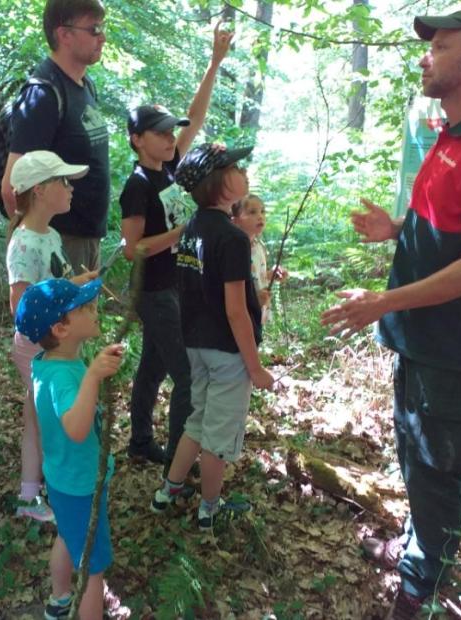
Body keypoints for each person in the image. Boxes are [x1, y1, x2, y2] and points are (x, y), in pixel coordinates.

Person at [320, 8, 461, 618]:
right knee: (414, 457)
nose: (426, 55)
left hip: (454, 349)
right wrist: (397, 230)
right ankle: (419, 554)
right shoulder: (450, 133)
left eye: (442, 46)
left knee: (438, 473)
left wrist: (382, 302)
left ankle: (419, 591)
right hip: (417, 338)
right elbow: (448, 230)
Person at [119, 21, 233, 467]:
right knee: (186, 376)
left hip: (176, 287)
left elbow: (197, 116)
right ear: (137, 139)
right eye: (162, 133)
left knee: (154, 366)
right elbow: (134, 249)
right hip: (154, 291)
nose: (171, 139)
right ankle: (176, 468)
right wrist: (181, 235)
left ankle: (140, 442)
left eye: (172, 133)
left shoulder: (169, 167)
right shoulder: (137, 185)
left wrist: (215, 62)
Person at [150, 144, 274, 530]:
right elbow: (236, 310)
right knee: (218, 437)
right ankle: (210, 508)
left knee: (198, 421)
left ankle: (169, 489)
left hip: (196, 346)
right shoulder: (233, 239)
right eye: (234, 167)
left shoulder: (192, 231)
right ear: (221, 184)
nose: (243, 171)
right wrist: (255, 367)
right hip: (227, 353)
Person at [15, 278, 123, 620]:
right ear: (61, 328)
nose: (95, 310)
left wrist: (93, 376)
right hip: (79, 483)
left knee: (66, 534)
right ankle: (76, 606)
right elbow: (76, 429)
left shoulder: (47, 362)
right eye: (85, 308)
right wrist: (92, 378)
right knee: (93, 570)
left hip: (62, 478)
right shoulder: (64, 376)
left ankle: (60, 599)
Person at [6, 150, 98, 522]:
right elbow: (21, 304)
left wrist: (77, 287)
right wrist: (60, 322)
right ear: (40, 191)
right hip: (39, 347)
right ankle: (41, 492)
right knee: (46, 418)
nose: (70, 188)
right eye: (63, 181)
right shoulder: (25, 243)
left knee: (39, 417)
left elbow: (51, 289)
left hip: (55, 342)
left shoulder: (51, 235)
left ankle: (35, 491)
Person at [1, 0, 109, 273]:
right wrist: (41, 244)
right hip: (59, 243)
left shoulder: (86, 86)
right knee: (62, 318)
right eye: (94, 29)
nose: (102, 37)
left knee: (85, 317)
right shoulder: (43, 94)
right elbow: (13, 186)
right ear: (64, 34)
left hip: (87, 238)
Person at [231, 194, 286, 324]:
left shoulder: (258, 246)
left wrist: (271, 275)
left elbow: (256, 276)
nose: (260, 216)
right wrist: (254, 300)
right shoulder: (235, 250)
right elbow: (235, 286)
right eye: (252, 212)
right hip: (245, 315)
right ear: (235, 221)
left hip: (259, 312)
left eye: (262, 211)